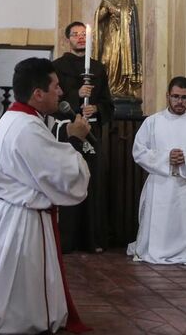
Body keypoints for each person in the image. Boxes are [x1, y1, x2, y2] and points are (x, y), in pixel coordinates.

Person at [0, 58, 91, 335]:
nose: (60, 93)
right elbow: (64, 174)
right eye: (56, 87)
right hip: (21, 221)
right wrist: (76, 140)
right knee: (17, 288)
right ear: (38, 94)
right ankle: (17, 321)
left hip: (8, 214)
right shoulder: (27, 127)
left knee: (3, 281)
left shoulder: (14, 118)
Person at [127, 76, 186, 265]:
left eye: (184, 97)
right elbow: (138, 151)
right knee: (159, 227)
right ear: (167, 96)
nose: (180, 101)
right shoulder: (153, 122)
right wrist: (166, 159)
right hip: (160, 183)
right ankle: (158, 250)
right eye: (176, 96)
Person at [52, 20, 113, 253]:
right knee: (68, 181)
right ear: (67, 38)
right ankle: (66, 239)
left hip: (91, 133)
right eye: (75, 34)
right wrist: (76, 96)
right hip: (68, 132)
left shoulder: (98, 69)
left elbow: (108, 103)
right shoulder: (57, 66)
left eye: (83, 34)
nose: (80, 37)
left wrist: (95, 108)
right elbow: (54, 101)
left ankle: (92, 239)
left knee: (92, 182)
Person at [94, 0, 142, 97]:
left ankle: (120, 88)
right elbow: (99, 19)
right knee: (105, 59)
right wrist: (104, 9)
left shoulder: (127, 2)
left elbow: (128, 16)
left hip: (123, 37)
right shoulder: (107, 0)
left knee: (120, 61)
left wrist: (112, 8)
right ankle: (107, 88)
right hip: (110, 35)